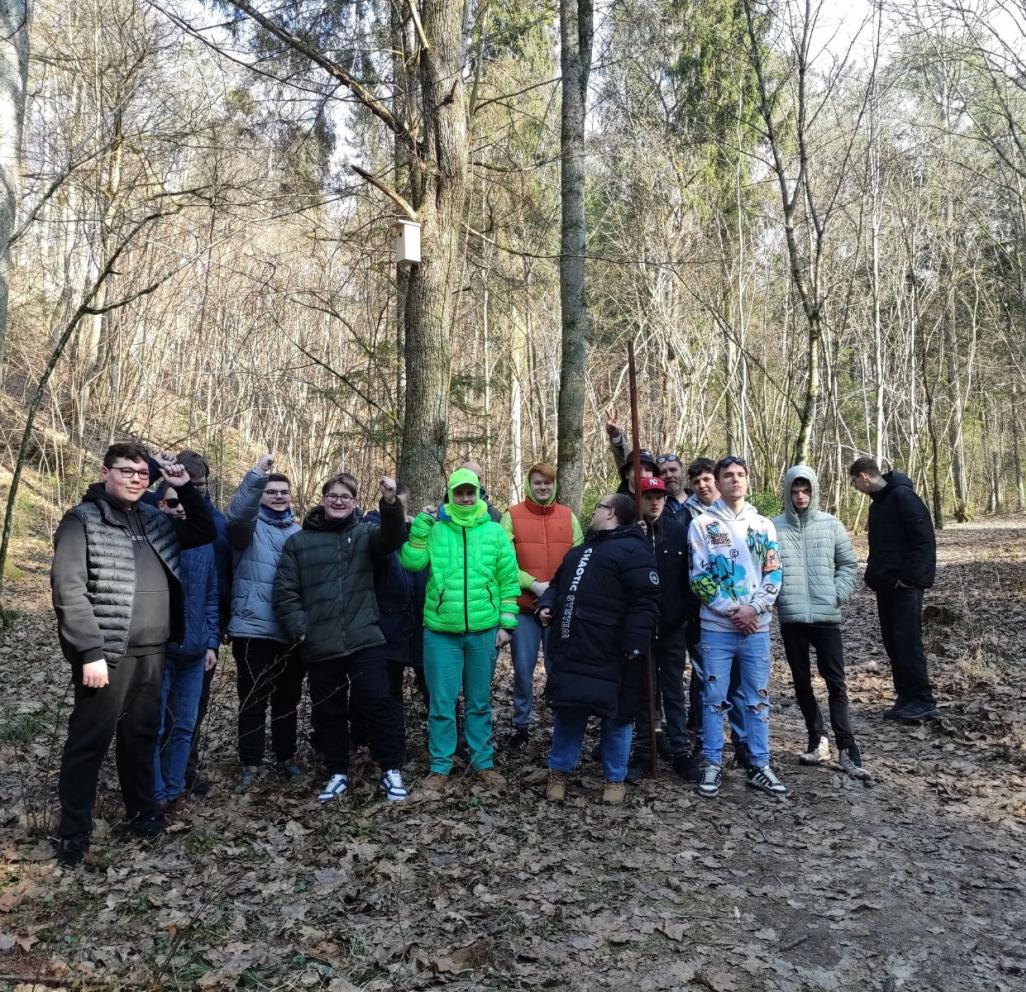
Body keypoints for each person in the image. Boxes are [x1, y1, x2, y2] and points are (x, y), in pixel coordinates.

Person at [51, 444, 215, 866]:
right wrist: (87, 651)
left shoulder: (154, 519)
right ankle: (74, 833)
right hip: (106, 654)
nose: (136, 478)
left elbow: (205, 530)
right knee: (89, 743)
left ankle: (143, 815)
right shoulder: (82, 521)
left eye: (144, 472)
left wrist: (184, 485)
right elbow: (69, 589)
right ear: (106, 473)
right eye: (127, 471)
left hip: (154, 651)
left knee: (141, 738)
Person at [273, 474, 408, 803]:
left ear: (354, 502)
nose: (338, 501)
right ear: (322, 500)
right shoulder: (299, 542)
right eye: (332, 495)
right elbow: (284, 591)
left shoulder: (365, 535)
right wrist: (299, 627)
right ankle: (337, 772)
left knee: (378, 702)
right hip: (321, 644)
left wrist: (391, 504)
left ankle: (390, 770)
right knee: (328, 712)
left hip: (364, 638)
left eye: (345, 496)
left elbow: (393, 537)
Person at [400, 468, 520, 792]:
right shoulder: (436, 529)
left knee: (479, 702)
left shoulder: (495, 532)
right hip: (441, 632)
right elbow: (411, 563)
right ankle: (440, 765)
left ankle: (483, 762)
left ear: (479, 494)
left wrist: (507, 623)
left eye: (471, 492)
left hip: (483, 630)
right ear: (450, 495)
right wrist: (420, 530)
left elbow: (509, 580)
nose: (465, 498)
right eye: (459, 492)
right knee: (442, 703)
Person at [539, 493, 661, 804]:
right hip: (573, 648)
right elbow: (556, 585)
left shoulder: (635, 551)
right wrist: (547, 605)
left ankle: (614, 779)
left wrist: (636, 641)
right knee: (569, 710)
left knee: (618, 715)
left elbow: (645, 601)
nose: (594, 511)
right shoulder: (580, 550)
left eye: (599, 506)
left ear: (612, 514)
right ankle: (559, 772)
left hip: (614, 651)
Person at [689, 455, 785, 799]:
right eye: (727, 475)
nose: (735, 480)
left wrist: (755, 609)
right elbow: (699, 577)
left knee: (757, 698)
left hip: (756, 628)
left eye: (740, 474)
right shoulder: (702, 525)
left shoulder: (764, 525)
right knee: (714, 697)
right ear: (717, 481)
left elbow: (773, 571)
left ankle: (759, 764)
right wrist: (734, 611)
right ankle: (713, 763)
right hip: (717, 628)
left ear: (747, 479)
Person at [773, 466, 867, 779]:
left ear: (813, 491)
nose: (800, 496)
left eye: (806, 490)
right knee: (801, 682)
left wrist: (835, 594)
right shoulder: (774, 528)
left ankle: (847, 747)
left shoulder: (831, 524)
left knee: (836, 682)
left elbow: (848, 565)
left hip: (826, 618)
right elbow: (767, 569)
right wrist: (780, 597)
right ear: (787, 492)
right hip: (793, 616)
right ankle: (817, 739)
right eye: (795, 491)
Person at [226, 454, 304, 792]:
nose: (277, 496)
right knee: (253, 699)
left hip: (290, 632)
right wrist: (257, 475)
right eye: (271, 491)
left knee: (288, 699)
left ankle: (286, 756)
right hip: (252, 629)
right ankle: (251, 761)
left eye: (283, 491)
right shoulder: (247, 530)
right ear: (261, 494)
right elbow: (237, 514)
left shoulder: (301, 534)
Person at [500, 462, 584, 749]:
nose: (543, 487)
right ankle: (522, 725)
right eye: (537, 483)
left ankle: (563, 726)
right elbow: (505, 562)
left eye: (548, 483)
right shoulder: (512, 516)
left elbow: (579, 559)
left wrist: (556, 590)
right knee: (523, 671)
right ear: (528, 484)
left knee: (558, 668)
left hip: (559, 609)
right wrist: (534, 584)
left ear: (554, 485)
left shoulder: (568, 516)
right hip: (525, 609)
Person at [849, 457, 938, 721]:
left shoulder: (902, 496)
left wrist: (909, 578)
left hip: (904, 587)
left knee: (907, 641)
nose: (855, 487)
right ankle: (906, 696)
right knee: (893, 641)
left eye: (854, 482)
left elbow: (924, 540)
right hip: (886, 585)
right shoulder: (879, 504)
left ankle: (922, 698)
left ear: (863, 476)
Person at [152, 485, 220, 814]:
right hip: (159, 649)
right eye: (170, 501)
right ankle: (155, 792)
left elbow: (210, 598)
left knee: (183, 726)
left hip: (195, 651)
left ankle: (175, 791)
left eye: (183, 502)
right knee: (156, 724)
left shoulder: (204, 545)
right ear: (159, 504)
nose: (178, 508)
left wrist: (211, 643)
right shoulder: (152, 540)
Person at [680, 457, 746, 773]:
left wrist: (749, 607)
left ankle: (744, 744)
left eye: (708, 479)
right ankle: (706, 745)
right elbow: (693, 570)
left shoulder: (745, 516)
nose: (704, 486)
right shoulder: (686, 517)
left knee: (741, 681)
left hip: (744, 615)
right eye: (698, 482)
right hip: (701, 614)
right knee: (707, 679)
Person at [174, 449, 231, 798]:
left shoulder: (218, 523)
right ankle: (155, 774)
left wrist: (218, 628)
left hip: (204, 631)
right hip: (159, 632)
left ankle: (186, 770)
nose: (193, 492)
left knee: (194, 707)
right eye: (187, 484)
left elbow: (222, 579)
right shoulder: (155, 511)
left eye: (200, 485)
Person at [628, 476, 692, 781]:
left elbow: (690, 579)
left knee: (673, 692)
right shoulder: (628, 534)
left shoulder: (680, 533)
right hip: (640, 630)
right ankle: (643, 752)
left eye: (659, 496)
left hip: (672, 629)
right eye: (648, 496)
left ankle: (680, 751)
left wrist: (684, 617)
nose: (654, 502)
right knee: (643, 693)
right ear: (638, 499)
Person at [365, 483, 430, 760]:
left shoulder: (421, 535)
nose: (401, 513)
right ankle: (394, 748)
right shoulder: (374, 534)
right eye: (395, 507)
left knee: (436, 692)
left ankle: (449, 745)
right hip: (388, 628)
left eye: (404, 507)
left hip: (423, 628)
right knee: (390, 695)